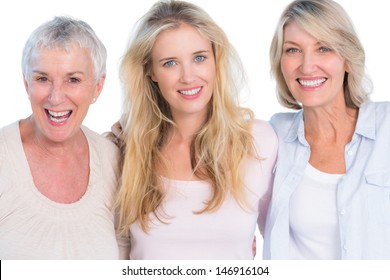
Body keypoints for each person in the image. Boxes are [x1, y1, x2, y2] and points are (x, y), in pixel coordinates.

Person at [113, 0, 277, 260]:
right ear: (150, 71)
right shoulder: (127, 148)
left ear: (215, 59)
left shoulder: (259, 141)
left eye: (199, 58)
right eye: (170, 63)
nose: (188, 76)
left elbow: (282, 239)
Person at [263, 0, 390, 259]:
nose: (307, 66)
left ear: (346, 59)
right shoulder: (274, 136)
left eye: (323, 48)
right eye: (293, 50)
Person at [0, 16, 121, 259]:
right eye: (42, 79)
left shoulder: (113, 160)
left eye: (73, 79)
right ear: (26, 83)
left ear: (98, 86)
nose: (55, 98)